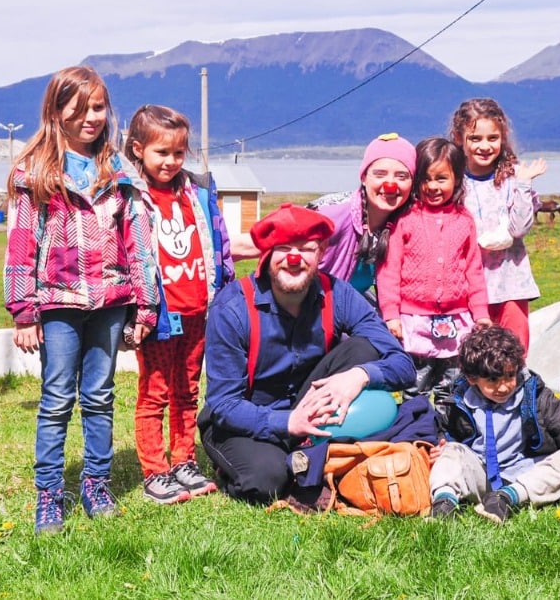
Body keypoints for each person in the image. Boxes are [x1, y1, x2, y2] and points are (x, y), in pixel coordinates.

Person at [4, 66, 160, 534]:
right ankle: (50, 493)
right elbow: (20, 244)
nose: (92, 116)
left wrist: (145, 305)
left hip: (111, 302)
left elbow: (139, 243)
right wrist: (23, 311)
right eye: (81, 107)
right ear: (57, 110)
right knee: (55, 400)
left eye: (98, 107)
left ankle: (96, 482)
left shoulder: (118, 171)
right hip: (57, 304)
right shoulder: (35, 173)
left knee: (99, 396)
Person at [199, 203, 416, 505]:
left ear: (322, 252)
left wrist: (360, 375)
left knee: (364, 348)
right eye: (284, 248)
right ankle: (253, 465)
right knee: (267, 482)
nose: (293, 259)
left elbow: (403, 365)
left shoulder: (337, 294)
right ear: (266, 254)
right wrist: (287, 422)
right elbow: (223, 405)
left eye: (306, 249)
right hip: (245, 419)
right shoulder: (233, 307)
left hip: (307, 407)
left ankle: (305, 454)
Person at [122, 104, 234, 505]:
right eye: (161, 153)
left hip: (198, 309)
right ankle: (156, 470)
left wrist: (226, 290)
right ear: (138, 150)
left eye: (178, 153)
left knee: (187, 390)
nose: (170, 162)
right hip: (158, 314)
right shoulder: (130, 196)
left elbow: (218, 242)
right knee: (154, 391)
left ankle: (184, 460)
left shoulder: (198, 191)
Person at [428, 325, 560, 522]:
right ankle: (444, 504)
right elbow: (443, 428)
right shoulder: (458, 399)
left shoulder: (534, 396)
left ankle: (504, 499)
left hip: (522, 474)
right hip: (480, 472)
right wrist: (441, 443)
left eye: (509, 376)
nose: (503, 387)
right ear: (472, 379)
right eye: (493, 380)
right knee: (451, 451)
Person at [376, 137, 489, 397]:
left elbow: (474, 270)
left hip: (457, 319)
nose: (433, 186)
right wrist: (391, 314)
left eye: (441, 178)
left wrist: (480, 313)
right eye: (426, 179)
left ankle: (450, 429)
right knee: (416, 383)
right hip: (414, 321)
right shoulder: (405, 220)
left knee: (454, 382)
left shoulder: (464, 220)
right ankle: (415, 428)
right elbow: (389, 271)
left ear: (457, 179)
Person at [448, 98, 544, 352]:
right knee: (469, 354)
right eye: (475, 138)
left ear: (503, 137)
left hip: (510, 283)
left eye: (492, 138)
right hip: (466, 286)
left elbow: (519, 229)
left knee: (514, 352)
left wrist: (524, 184)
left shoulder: (514, 178)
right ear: (459, 138)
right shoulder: (451, 180)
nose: (485, 145)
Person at [308, 132, 417, 298]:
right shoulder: (329, 213)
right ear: (364, 177)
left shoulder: (406, 223)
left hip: (351, 305)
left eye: (401, 176)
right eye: (380, 174)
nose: (390, 185)